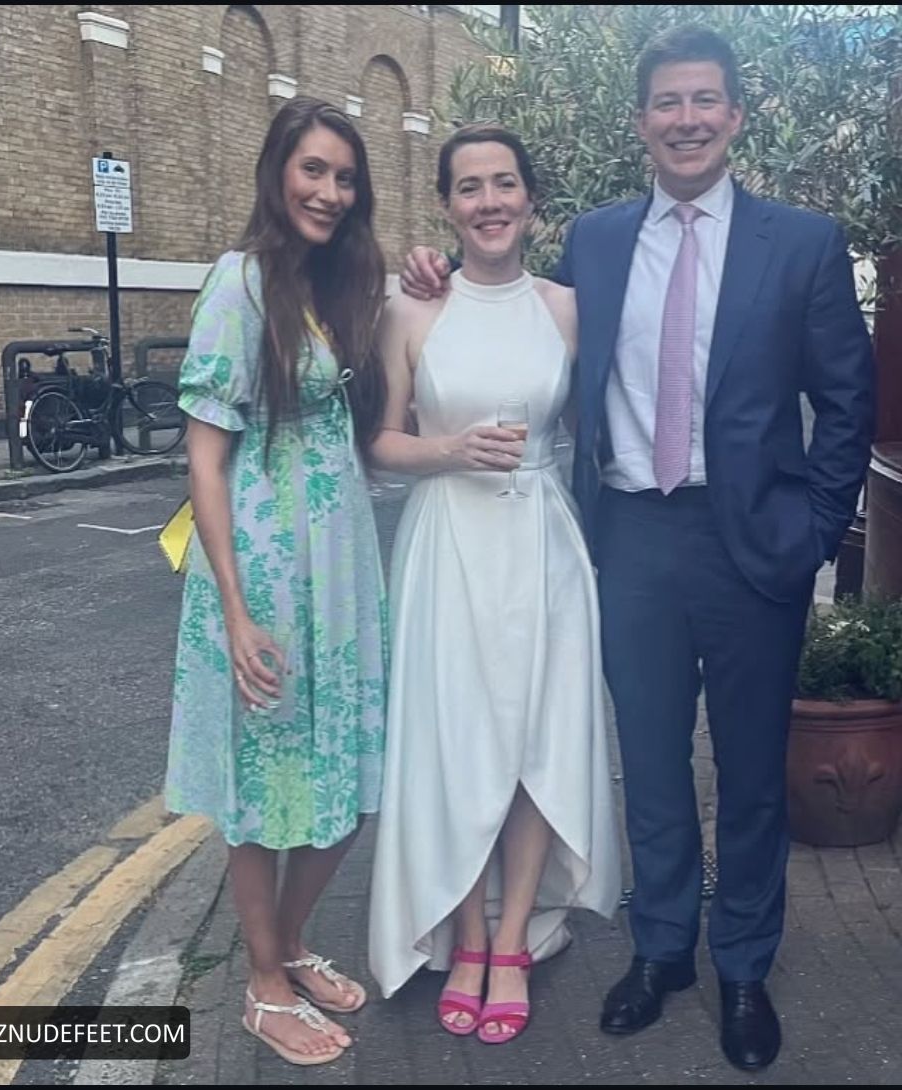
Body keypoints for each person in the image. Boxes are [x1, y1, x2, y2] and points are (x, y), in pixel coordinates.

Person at [400, 26, 875, 1071]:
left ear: (735, 115)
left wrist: (812, 531)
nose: (687, 119)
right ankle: (662, 950)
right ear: (641, 123)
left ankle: (742, 965)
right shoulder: (599, 243)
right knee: (651, 763)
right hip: (632, 539)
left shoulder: (801, 243)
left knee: (750, 772)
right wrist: (428, 273)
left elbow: (847, 402)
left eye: (705, 100)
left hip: (755, 546)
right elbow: (510, 307)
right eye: (668, 102)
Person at [367, 123, 621, 1046]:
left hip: (544, 543)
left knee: (535, 744)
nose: (489, 202)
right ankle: (465, 936)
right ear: (446, 206)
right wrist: (449, 449)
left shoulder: (567, 308)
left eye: (504, 183)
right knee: (458, 741)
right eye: (469, 187)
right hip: (448, 543)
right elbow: (379, 442)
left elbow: (602, 427)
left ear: (531, 199)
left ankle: (512, 939)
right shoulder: (411, 309)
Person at [164, 97, 388, 1067]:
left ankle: (289, 945)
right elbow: (205, 458)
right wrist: (235, 607)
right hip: (264, 577)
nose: (329, 192)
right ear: (277, 173)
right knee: (264, 785)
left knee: (349, 777)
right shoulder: (242, 282)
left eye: (345, 177)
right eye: (313, 170)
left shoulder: (335, 285)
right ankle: (262, 984)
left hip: (339, 577)